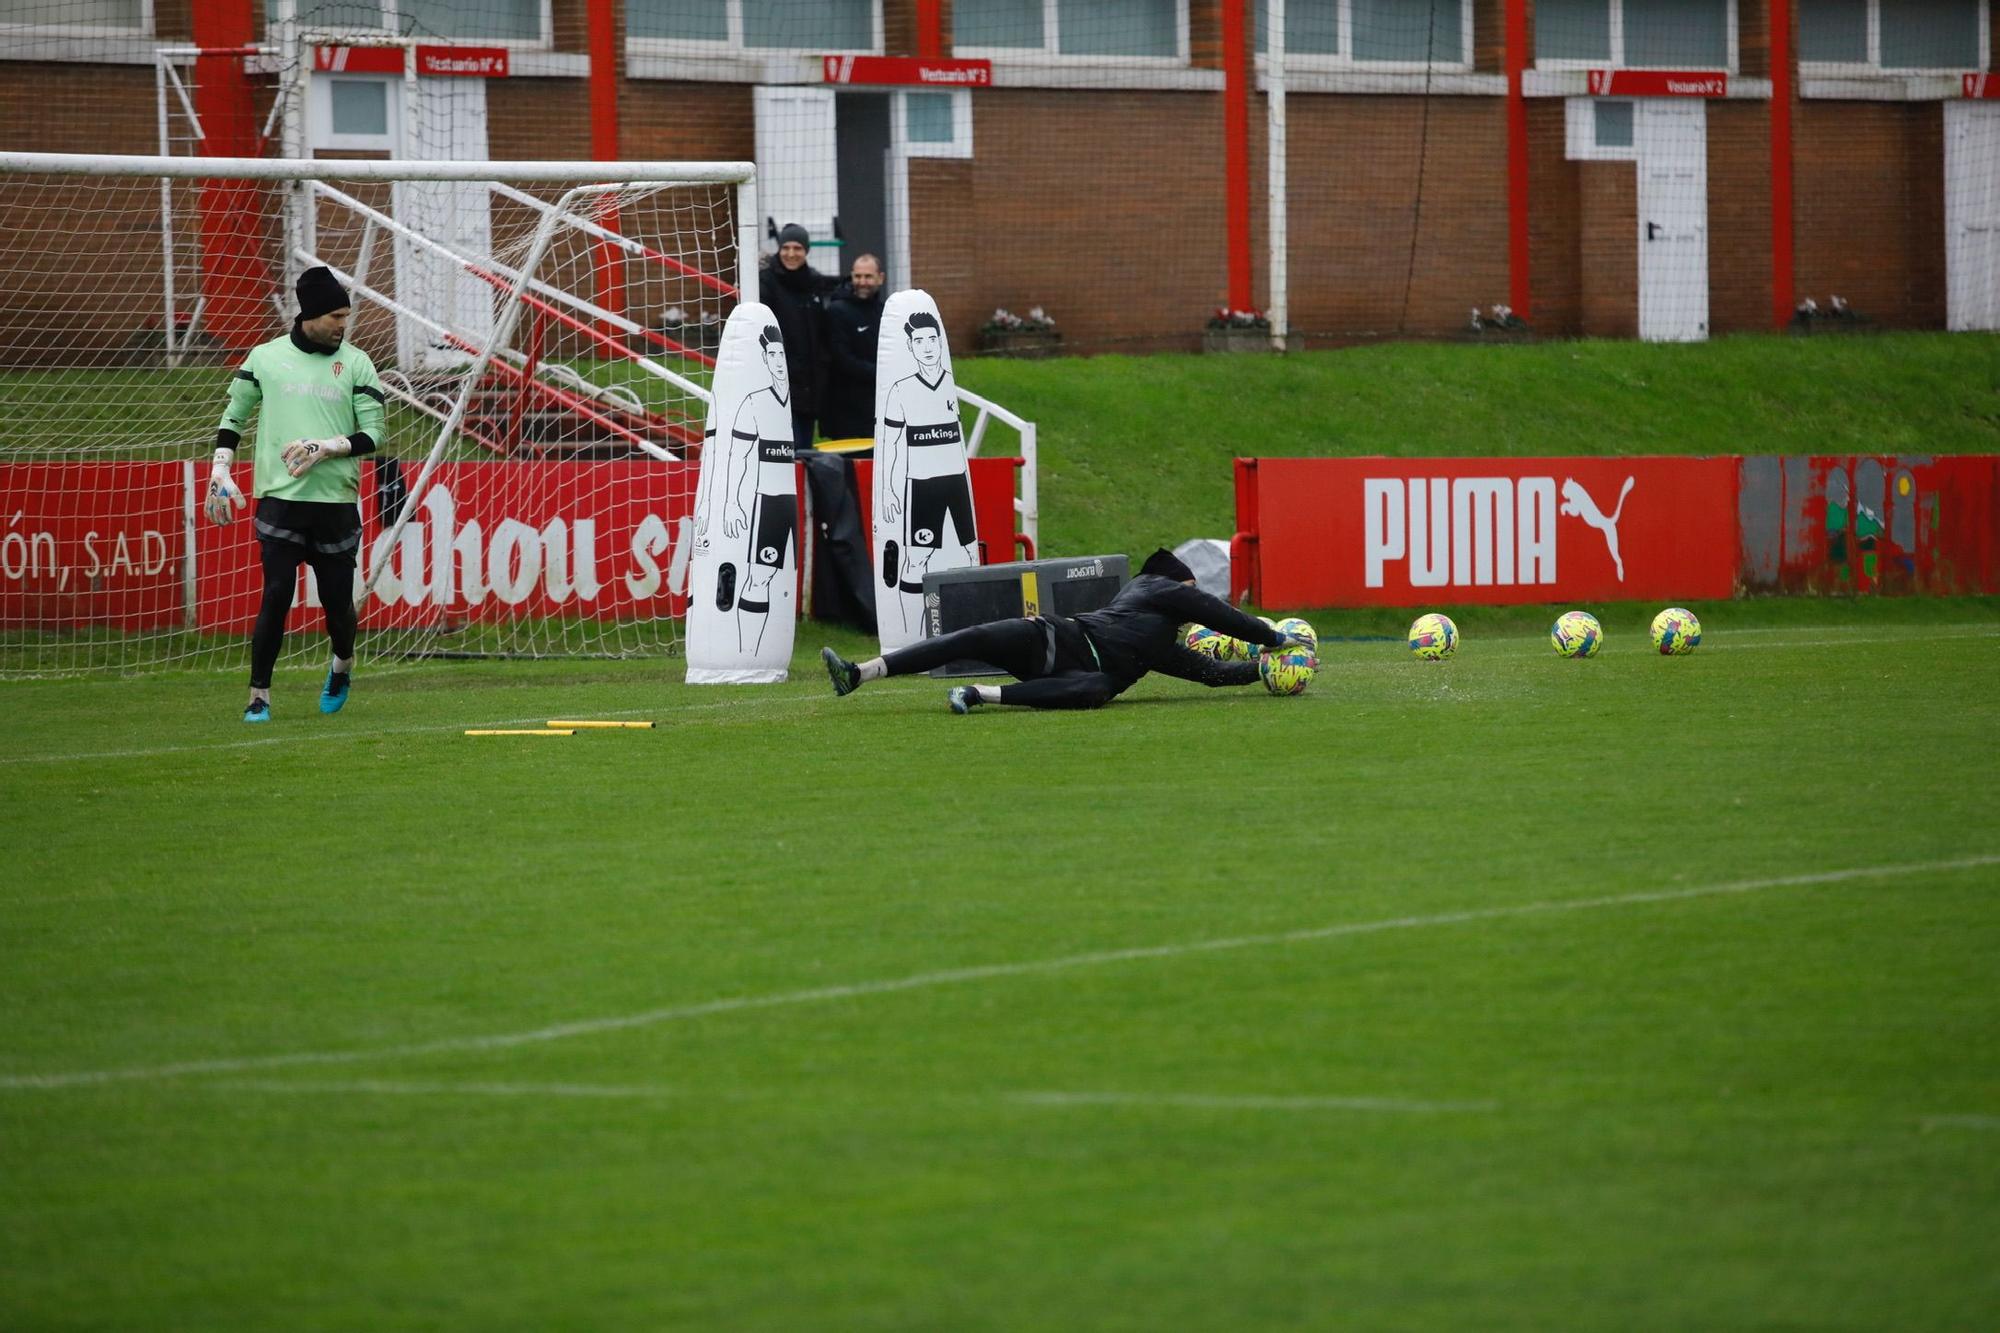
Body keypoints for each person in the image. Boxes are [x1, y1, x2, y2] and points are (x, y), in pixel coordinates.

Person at [204, 265, 386, 723]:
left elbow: (375, 434)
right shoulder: (265, 358)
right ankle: (258, 696)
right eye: (335, 316)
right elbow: (234, 417)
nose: (343, 325)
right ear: (309, 314)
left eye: (347, 315)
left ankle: (342, 664)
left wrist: (327, 447)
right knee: (277, 594)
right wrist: (220, 468)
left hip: (335, 502)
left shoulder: (358, 362)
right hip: (281, 499)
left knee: (337, 605)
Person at [820, 548, 1307, 713]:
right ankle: (861, 672)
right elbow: (1220, 615)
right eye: (1192, 588)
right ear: (1175, 581)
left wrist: (1262, 671)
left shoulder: (1160, 644)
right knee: (969, 638)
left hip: (1075, 674)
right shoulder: (1154, 587)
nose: (1194, 597)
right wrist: (1274, 639)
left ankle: (977, 694)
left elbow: (1207, 673)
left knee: (1098, 689)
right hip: (1054, 637)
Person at [878, 309, 976, 633]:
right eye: (919, 340)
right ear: (910, 347)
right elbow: (891, 444)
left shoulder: (950, 385)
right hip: (922, 486)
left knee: (968, 557)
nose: (927, 346)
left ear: (939, 342)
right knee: (917, 559)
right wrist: (889, 490)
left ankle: (967, 636)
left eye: (932, 339)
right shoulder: (900, 390)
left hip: (957, 482)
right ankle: (912, 639)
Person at [757, 221, 838, 449]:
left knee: (804, 448)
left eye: (797, 248)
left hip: (810, 383)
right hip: (777, 377)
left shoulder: (815, 283)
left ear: (806, 251)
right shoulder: (765, 282)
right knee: (781, 449)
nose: (791, 254)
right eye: (786, 248)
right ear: (779, 249)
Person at [818, 252, 885, 441]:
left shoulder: (885, 311)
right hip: (845, 412)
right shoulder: (837, 311)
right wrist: (881, 373)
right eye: (858, 276)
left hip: (878, 407)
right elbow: (842, 359)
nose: (862, 281)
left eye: (868, 276)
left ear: (880, 278)